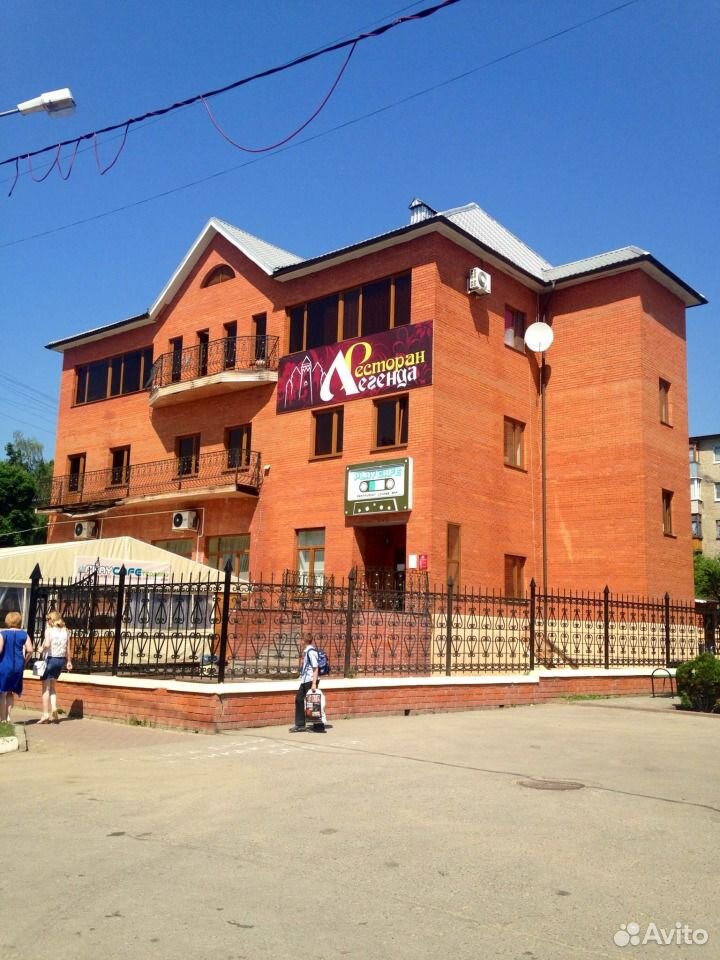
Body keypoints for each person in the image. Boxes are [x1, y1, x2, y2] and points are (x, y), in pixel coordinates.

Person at [38, 610, 73, 724]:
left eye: (48, 619)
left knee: (45, 688)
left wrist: (41, 649)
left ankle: (45, 714)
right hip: (60, 660)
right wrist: (69, 661)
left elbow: (47, 644)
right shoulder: (66, 631)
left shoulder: (49, 631)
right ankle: (53, 708)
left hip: (50, 659)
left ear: (52, 619)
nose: (47, 621)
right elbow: (68, 648)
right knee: (53, 687)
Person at [0, 611, 33, 723]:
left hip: (4, 664)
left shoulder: (3, 634)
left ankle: (3, 719)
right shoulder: (24, 634)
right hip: (18, 666)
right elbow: (30, 650)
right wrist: (24, 661)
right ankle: (9, 717)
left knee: (2, 693)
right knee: (11, 692)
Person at [290, 637, 325, 733]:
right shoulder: (307, 651)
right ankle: (300, 724)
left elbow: (315, 668)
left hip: (310, 680)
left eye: (300, 640)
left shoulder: (311, 652)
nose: (299, 642)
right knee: (299, 699)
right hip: (305, 680)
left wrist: (314, 683)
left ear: (303, 641)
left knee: (313, 702)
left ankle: (319, 726)